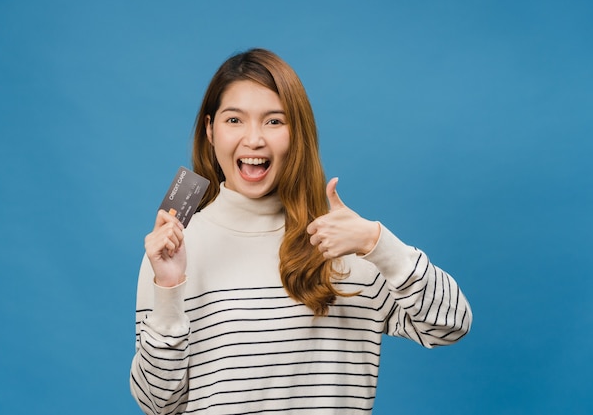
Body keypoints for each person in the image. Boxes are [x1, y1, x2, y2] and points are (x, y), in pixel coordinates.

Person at [130, 48, 472, 415]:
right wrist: (167, 290)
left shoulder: (344, 243)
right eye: (234, 120)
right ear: (210, 131)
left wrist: (378, 245)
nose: (254, 139)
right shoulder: (175, 250)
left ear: (297, 134)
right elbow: (156, 404)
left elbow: (449, 325)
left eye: (274, 121)